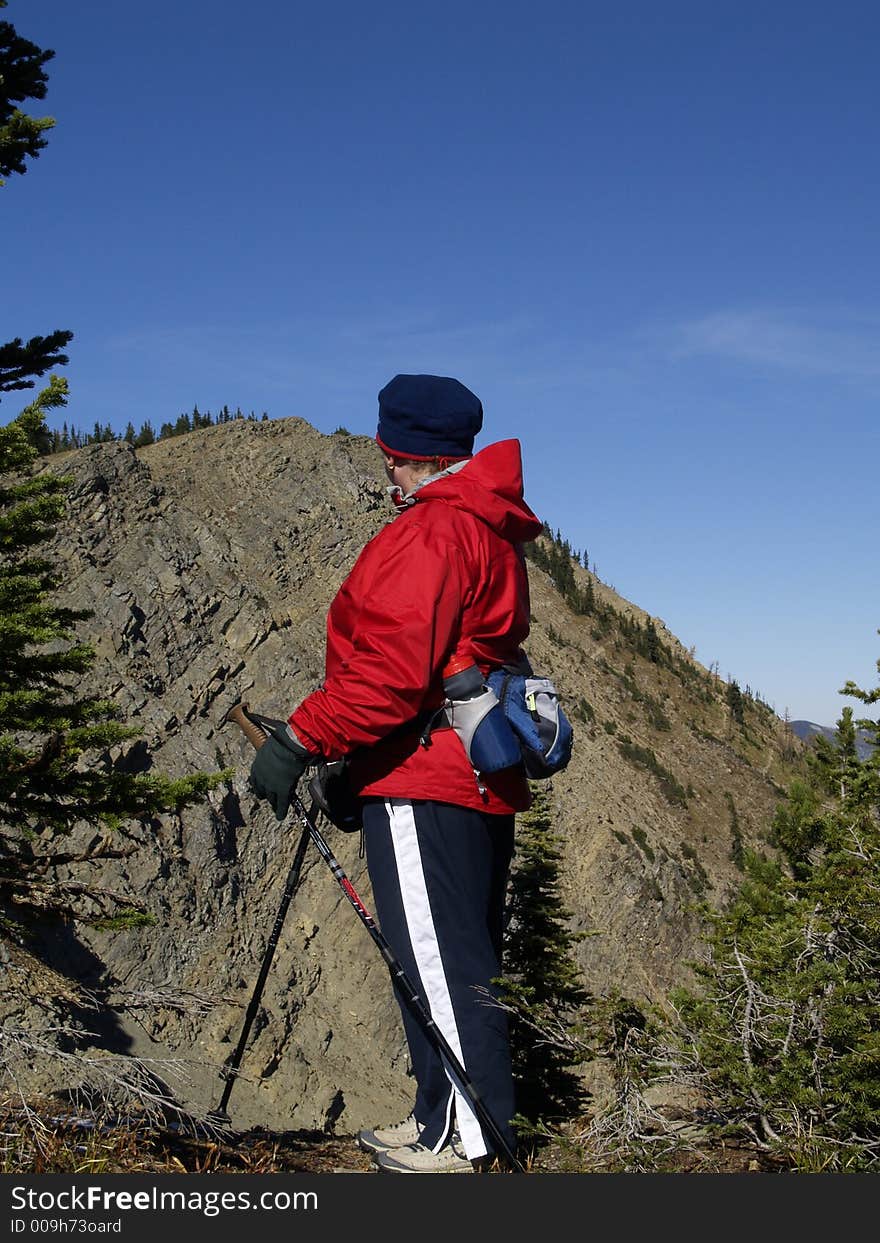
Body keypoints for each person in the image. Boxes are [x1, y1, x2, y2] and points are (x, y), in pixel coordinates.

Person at [248, 373, 543, 1173]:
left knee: (441, 961)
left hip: (425, 776)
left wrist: (301, 739)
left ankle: (469, 1139)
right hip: (473, 771)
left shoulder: (430, 533)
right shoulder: (487, 527)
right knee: (449, 955)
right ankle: (438, 1117)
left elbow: (386, 675)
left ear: (397, 449)